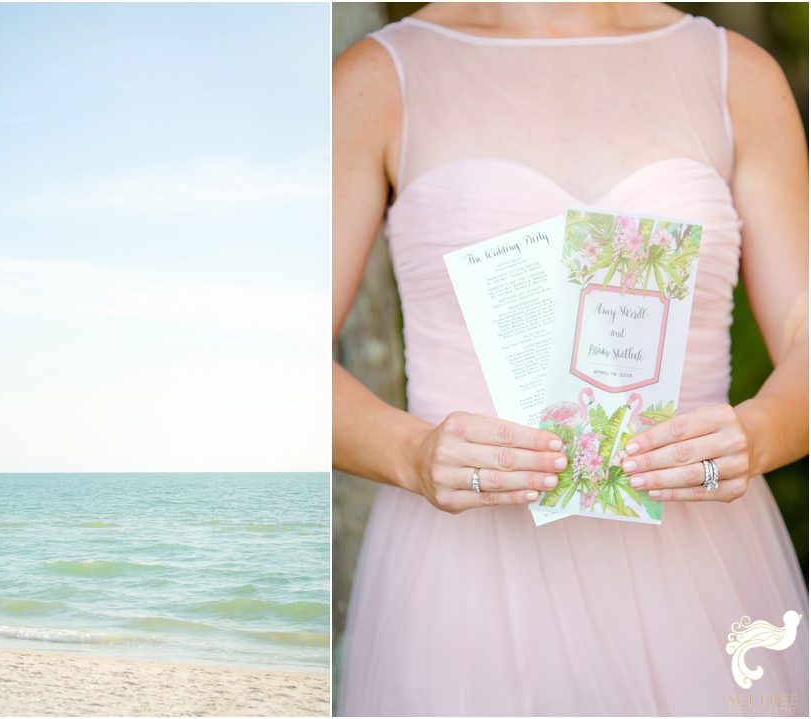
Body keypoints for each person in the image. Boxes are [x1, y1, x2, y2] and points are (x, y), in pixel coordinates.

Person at [332, 3, 809, 715]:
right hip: (466, 584)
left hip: (700, 570)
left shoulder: (735, 75)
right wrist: (412, 453)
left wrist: (761, 430)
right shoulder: (379, 78)